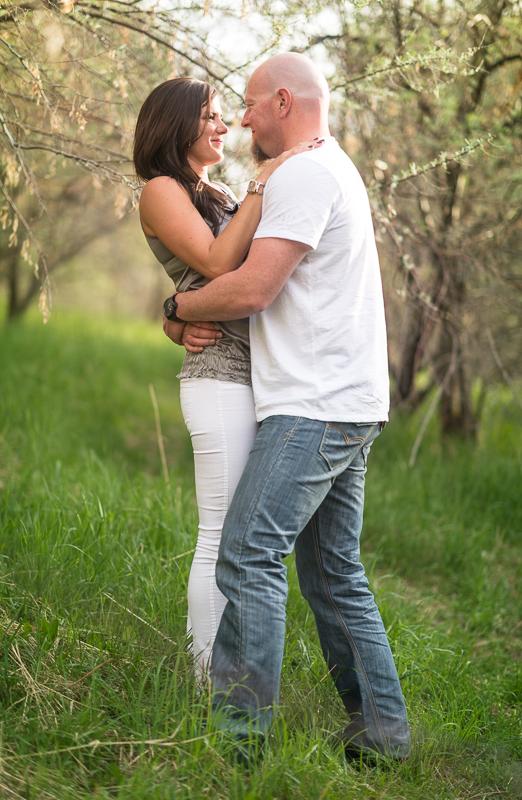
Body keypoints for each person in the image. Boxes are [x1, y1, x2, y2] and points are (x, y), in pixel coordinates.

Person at [162, 53, 411, 761]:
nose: (238, 119)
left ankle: (239, 744)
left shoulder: (302, 174)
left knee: (246, 553)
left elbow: (250, 289)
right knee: (333, 574)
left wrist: (176, 306)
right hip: (351, 399)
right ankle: (384, 738)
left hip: (315, 405)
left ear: (280, 101)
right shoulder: (333, 165)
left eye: (245, 103)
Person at [133, 77, 320, 679]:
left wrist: (173, 313)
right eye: (211, 116)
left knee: (240, 534)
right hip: (218, 375)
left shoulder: (207, 190)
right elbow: (215, 265)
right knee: (219, 532)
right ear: (176, 123)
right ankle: (203, 681)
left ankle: (228, 672)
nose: (223, 126)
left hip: (253, 373)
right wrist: (263, 187)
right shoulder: (160, 189)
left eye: (223, 115)